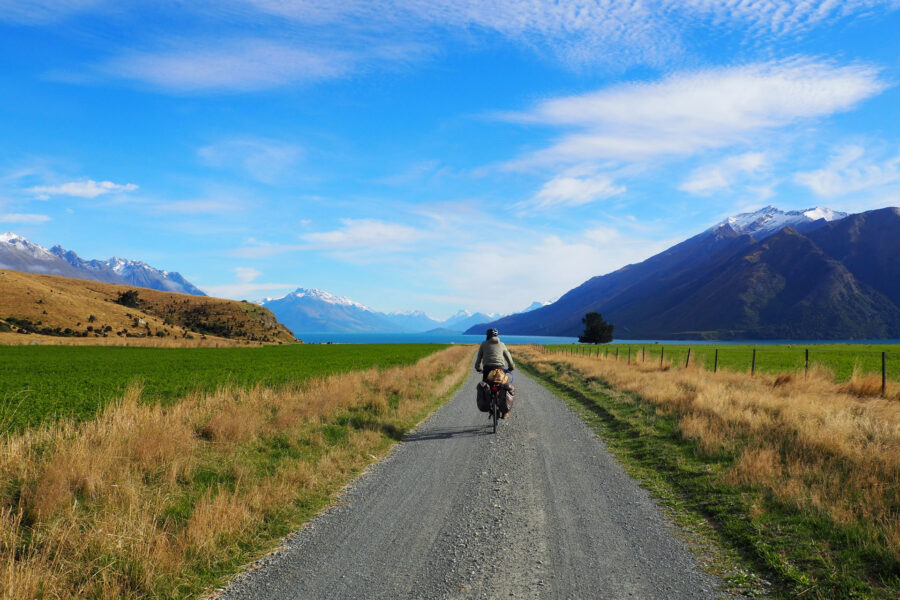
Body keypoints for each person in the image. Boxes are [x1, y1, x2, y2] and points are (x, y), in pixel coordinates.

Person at [474, 328, 515, 418]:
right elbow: (508, 356)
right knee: (504, 387)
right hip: (500, 370)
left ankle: (489, 407)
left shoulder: (484, 344)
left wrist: (478, 368)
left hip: (487, 370)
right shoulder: (502, 344)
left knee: (486, 386)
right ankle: (505, 412)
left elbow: (479, 357)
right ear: (497, 336)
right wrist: (511, 367)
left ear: (487, 336)